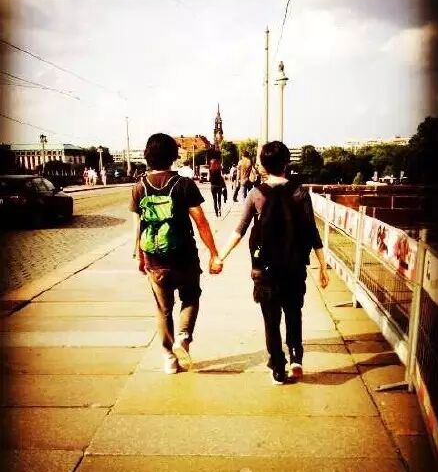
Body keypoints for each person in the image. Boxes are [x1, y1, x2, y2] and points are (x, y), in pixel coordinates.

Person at [216, 140, 329, 385]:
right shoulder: (300, 193)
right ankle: (296, 357)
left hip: (265, 270)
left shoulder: (256, 194)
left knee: (271, 319)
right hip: (294, 267)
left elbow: (239, 231)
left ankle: (278, 366)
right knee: (293, 313)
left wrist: (219, 257)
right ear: (286, 162)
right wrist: (322, 266)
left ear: (262, 165)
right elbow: (312, 232)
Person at [130, 133, 222, 375]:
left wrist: (138, 256)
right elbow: (201, 222)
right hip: (184, 257)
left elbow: (137, 227)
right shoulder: (184, 184)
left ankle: (169, 358)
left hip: (154, 259)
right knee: (190, 297)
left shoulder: (139, 187)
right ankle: (183, 337)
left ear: (147, 156)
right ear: (173, 156)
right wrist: (213, 253)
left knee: (163, 309)